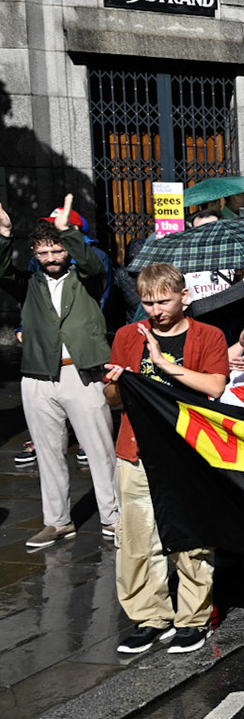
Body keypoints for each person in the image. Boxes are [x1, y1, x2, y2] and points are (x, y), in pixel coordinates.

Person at [101, 265, 230, 655]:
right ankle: (150, 617)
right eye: (147, 302)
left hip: (188, 452)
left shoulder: (208, 335)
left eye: (163, 301)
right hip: (137, 450)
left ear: (183, 296)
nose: (155, 310)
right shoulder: (128, 336)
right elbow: (114, 400)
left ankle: (192, 620)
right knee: (138, 542)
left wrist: (165, 365)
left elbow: (215, 385)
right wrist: (116, 384)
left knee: (190, 540)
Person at [0, 201, 120, 547]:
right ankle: (57, 521)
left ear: (67, 248)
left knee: (100, 452)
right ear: (34, 253)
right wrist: (4, 235)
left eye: (57, 250)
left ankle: (113, 519)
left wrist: (69, 231)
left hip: (81, 374)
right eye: (43, 252)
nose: (51, 257)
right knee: (49, 454)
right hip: (38, 376)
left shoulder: (88, 277)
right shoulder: (31, 284)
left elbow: (93, 264)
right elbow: (1, 271)